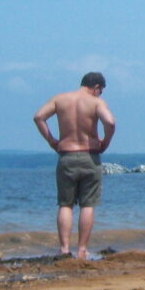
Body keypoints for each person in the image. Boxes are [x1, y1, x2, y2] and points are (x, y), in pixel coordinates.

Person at [33, 72, 116, 260]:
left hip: (67, 155)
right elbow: (110, 122)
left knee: (65, 204)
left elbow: (38, 117)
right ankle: (82, 250)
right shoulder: (96, 103)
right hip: (89, 155)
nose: (99, 94)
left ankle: (64, 249)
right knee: (88, 205)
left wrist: (51, 140)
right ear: (96, 87)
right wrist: (105, 142)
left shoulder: (60, 99)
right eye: (100, 91)